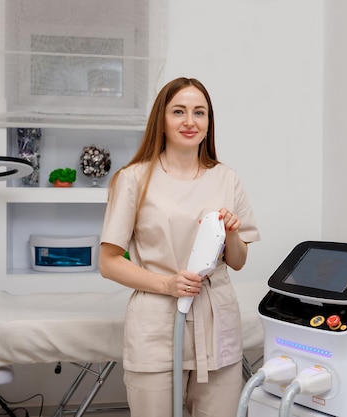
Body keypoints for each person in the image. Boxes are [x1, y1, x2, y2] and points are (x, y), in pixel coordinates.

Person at [99, 77, 261, 417]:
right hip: (156, 323)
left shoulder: (226, 178)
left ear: (208, 123)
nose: (190, 121)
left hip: (217, 323)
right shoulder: (133, 179)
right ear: (162, 119)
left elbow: (239, 260)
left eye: (199, 113)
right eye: (179, 112)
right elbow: (109, 262)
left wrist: (232, 232)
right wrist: (166, 284)